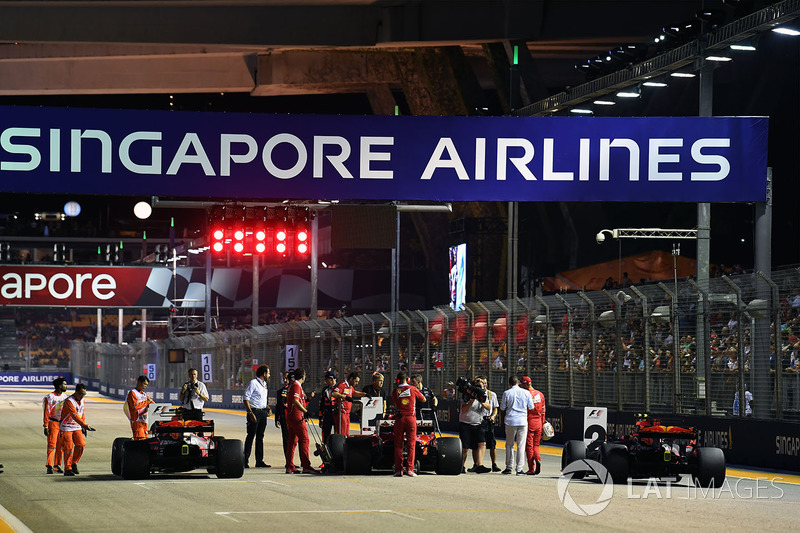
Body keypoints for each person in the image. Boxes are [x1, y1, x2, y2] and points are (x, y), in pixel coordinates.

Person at [284, 368, 319, 474]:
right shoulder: (296, 386)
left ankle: (290, 466)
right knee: (305, 440)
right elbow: (295, 401)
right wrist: (305, 411)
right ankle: (306, 465)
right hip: (297, 416)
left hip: (292, 416)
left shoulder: (293, 386)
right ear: (303, 376)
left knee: (292, 441)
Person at [391, 371, 426, 477]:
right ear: (408, 380)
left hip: (399, 418)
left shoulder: (395, 391)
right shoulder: (413, 389)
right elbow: (423, 399)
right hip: (411, 419)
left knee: (398, 445)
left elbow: (396, 405)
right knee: (411, 445)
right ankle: (410, 469)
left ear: (397, 380)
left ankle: (399, 470)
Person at [499, 376, 534, 475]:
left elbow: (502, 407)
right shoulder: (526, 393)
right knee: (521, 445)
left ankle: (509, 467)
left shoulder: (507, 393)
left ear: (509, 383)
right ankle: (519, 469)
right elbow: (531, 407)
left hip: (510, 420)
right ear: (518, 382)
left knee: (509, 444)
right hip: (522, 421)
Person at [59, 383, 94, 476]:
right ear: (76, 392)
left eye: (84, 394)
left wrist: (83, 426)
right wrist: (84, 424)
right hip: (66, 426)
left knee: (81, 444)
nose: (82, 396)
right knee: (68, 447)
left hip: (77, 426)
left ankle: (74, 462)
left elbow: (82, 413)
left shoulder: (83, 400)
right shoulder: (69, 401)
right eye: (80, 394)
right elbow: (74, 415)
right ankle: (67, 468)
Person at [458, 377, 492, 474]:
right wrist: (472, 400)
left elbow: (489, 407)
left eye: (481, 384)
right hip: (465, 424)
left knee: (482, 444)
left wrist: (480, 400)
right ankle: (461, 466)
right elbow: (463, 410)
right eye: (477, 384)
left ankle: (479, 465)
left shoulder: (483, 395)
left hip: (478, 423)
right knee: (465, 448)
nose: (479, 386)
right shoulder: (466, 395)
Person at [243, 364, 272, 468]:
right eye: (268, 373)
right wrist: (250, 413)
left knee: (260, 437)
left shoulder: (264, 384)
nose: (269, 375)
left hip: (263, 412)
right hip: (254, 412)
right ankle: (244, 460)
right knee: (251, 436)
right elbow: (246, 398)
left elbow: (261, 399)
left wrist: (267, 407)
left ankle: (259, 461)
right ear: (264, 373)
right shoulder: (253, 383)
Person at [520, 376, 546, 475]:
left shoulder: (525, 394)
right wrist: (542, 423)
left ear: (525, 384)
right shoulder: (540, 394)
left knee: (529, 446)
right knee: (536, 445)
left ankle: (531, 468)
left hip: (529, 421)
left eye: (522, 384)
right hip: (539, 422)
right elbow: (543, 411)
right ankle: (538, 459)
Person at [42, 377, 68, 474]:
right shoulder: (49, 397)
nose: (66, 386)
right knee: (51, 445)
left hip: (62, 424)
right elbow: (46, 412)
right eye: (64, 384)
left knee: (60, 445)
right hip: (53, 423)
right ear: (59, 386)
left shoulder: (65, 397)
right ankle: (49, 465)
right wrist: (45, 425)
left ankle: (57, 465)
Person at [476, 375, 501, 472]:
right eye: (482, 383)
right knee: (478, 443)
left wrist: (493, 416)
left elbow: (495, 408)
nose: (484, 385)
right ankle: (477, 463)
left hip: (488, 421)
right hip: (479, 420)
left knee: (492, 443)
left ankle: (494, 464)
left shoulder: (492, 395)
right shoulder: (475, 394)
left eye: (485, 383)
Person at [275, 371, 294, 469]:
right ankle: (288, 461)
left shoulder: (296, 389)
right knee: (286, 439)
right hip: (284, 418)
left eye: (287, 377)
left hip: (294, 418)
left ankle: (301, 462)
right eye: (284, 377)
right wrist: (276, 418)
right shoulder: (280, 391)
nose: (285, 379)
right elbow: (278, 406)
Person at [125, 375, 154, 440]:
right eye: (144, 384)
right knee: (140, 441)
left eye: (146, 385)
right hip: (137, 422)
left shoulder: (144, 394)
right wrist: (146, 402)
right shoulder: (132, 393)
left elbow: (152, 404)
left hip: (145, 422)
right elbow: (135, 406)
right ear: (139, 382)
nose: (145, 386)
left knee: (147, 442)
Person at [318, 370, 338, 445]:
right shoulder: (325, 389)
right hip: (327, 414)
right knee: (325, 434)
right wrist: (320, 418)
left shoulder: (339, 388)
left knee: (337, 434)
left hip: (337, 414)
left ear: (332, 379)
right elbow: (322, 405)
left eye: (327, 379)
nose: (325, 381)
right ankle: (325, 448)